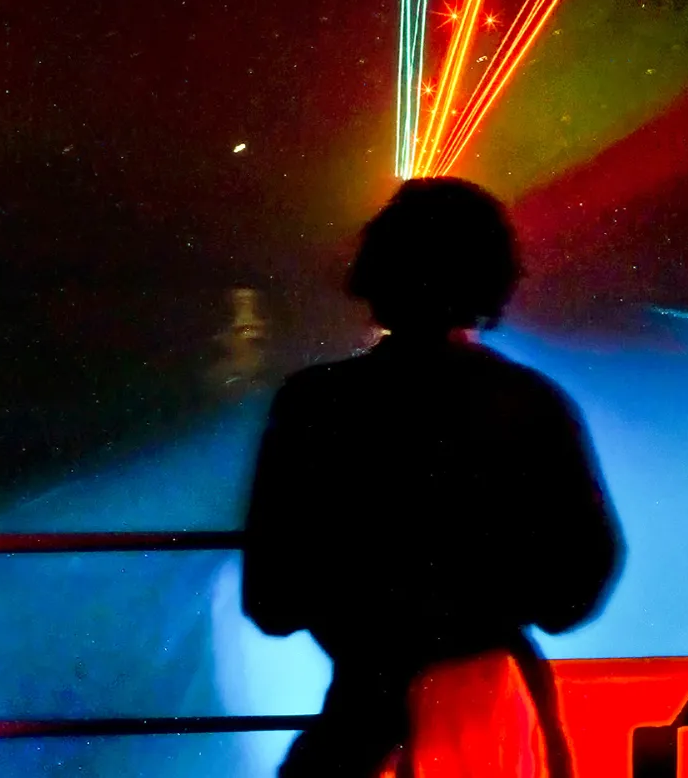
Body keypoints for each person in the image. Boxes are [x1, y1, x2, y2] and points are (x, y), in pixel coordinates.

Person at [242, 177, 625, 778]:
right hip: (496, 725)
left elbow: (271, 600)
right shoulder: (531, 405)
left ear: (377, 274)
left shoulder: (313, 404)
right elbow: (577, 583)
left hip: (360, 721)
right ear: (494, 279)